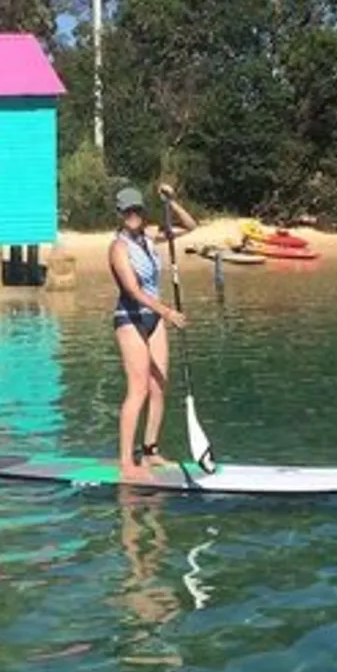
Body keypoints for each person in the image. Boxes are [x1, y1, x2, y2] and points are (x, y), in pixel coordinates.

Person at [109, 183, 195, 482]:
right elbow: (131, 291)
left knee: (159, 385)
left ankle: (150, 449)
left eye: (137, 210)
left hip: (155, 317)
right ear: (120, 214)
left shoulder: (149, 237)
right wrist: (168, 312)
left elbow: (191, 226)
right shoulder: (118, 248)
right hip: (131, 318)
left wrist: (171, 202)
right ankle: (125, 461)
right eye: (128, 211)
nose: (134, 215)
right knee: (139, 390)